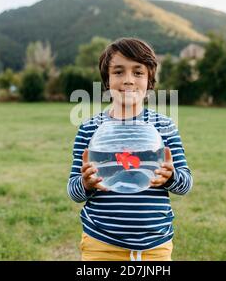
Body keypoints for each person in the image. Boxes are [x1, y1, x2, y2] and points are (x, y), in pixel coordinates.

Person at [67, 37, 193, 261]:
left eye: (138, 72)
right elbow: (73, 191)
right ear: (106, 79)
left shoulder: (164, 127)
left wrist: (171, 176)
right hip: (101, 243)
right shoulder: (89, 129)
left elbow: (185, 185)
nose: (128, 80)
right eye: (118, 72)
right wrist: (86, 183)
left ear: (150, 80)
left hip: (156, 244)